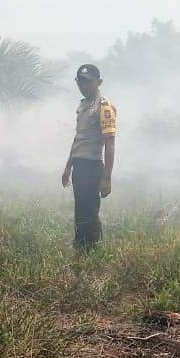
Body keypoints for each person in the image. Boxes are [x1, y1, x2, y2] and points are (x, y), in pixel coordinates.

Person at [61, 63, 116, 251]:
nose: (83, 86)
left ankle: (91, 250)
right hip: (79, 166)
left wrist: (106, 177)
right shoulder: (83, 105)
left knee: (90, 211)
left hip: (93, 167)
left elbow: (110, 143)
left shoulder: (104, 107)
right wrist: (68, 166)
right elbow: (79, 138)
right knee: (80, 210)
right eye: (80, 82)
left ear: (99, 82)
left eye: (88, 82)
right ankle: (80, 247)